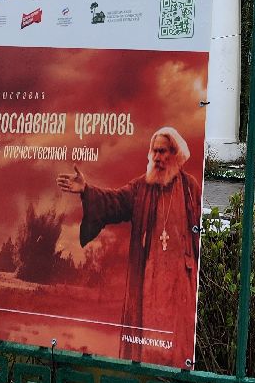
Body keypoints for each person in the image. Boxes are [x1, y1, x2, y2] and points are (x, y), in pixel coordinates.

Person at [57, 127, 201, 366]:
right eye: (154, 151)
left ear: (175, 154)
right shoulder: (141, 188)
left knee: (178, 343)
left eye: (162, 151)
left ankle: (175, 381)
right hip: (148, 279)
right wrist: (86, 190)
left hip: (180, 282)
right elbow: (115, 201)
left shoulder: (189, 188)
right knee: (146, 341)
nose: (156, 157)